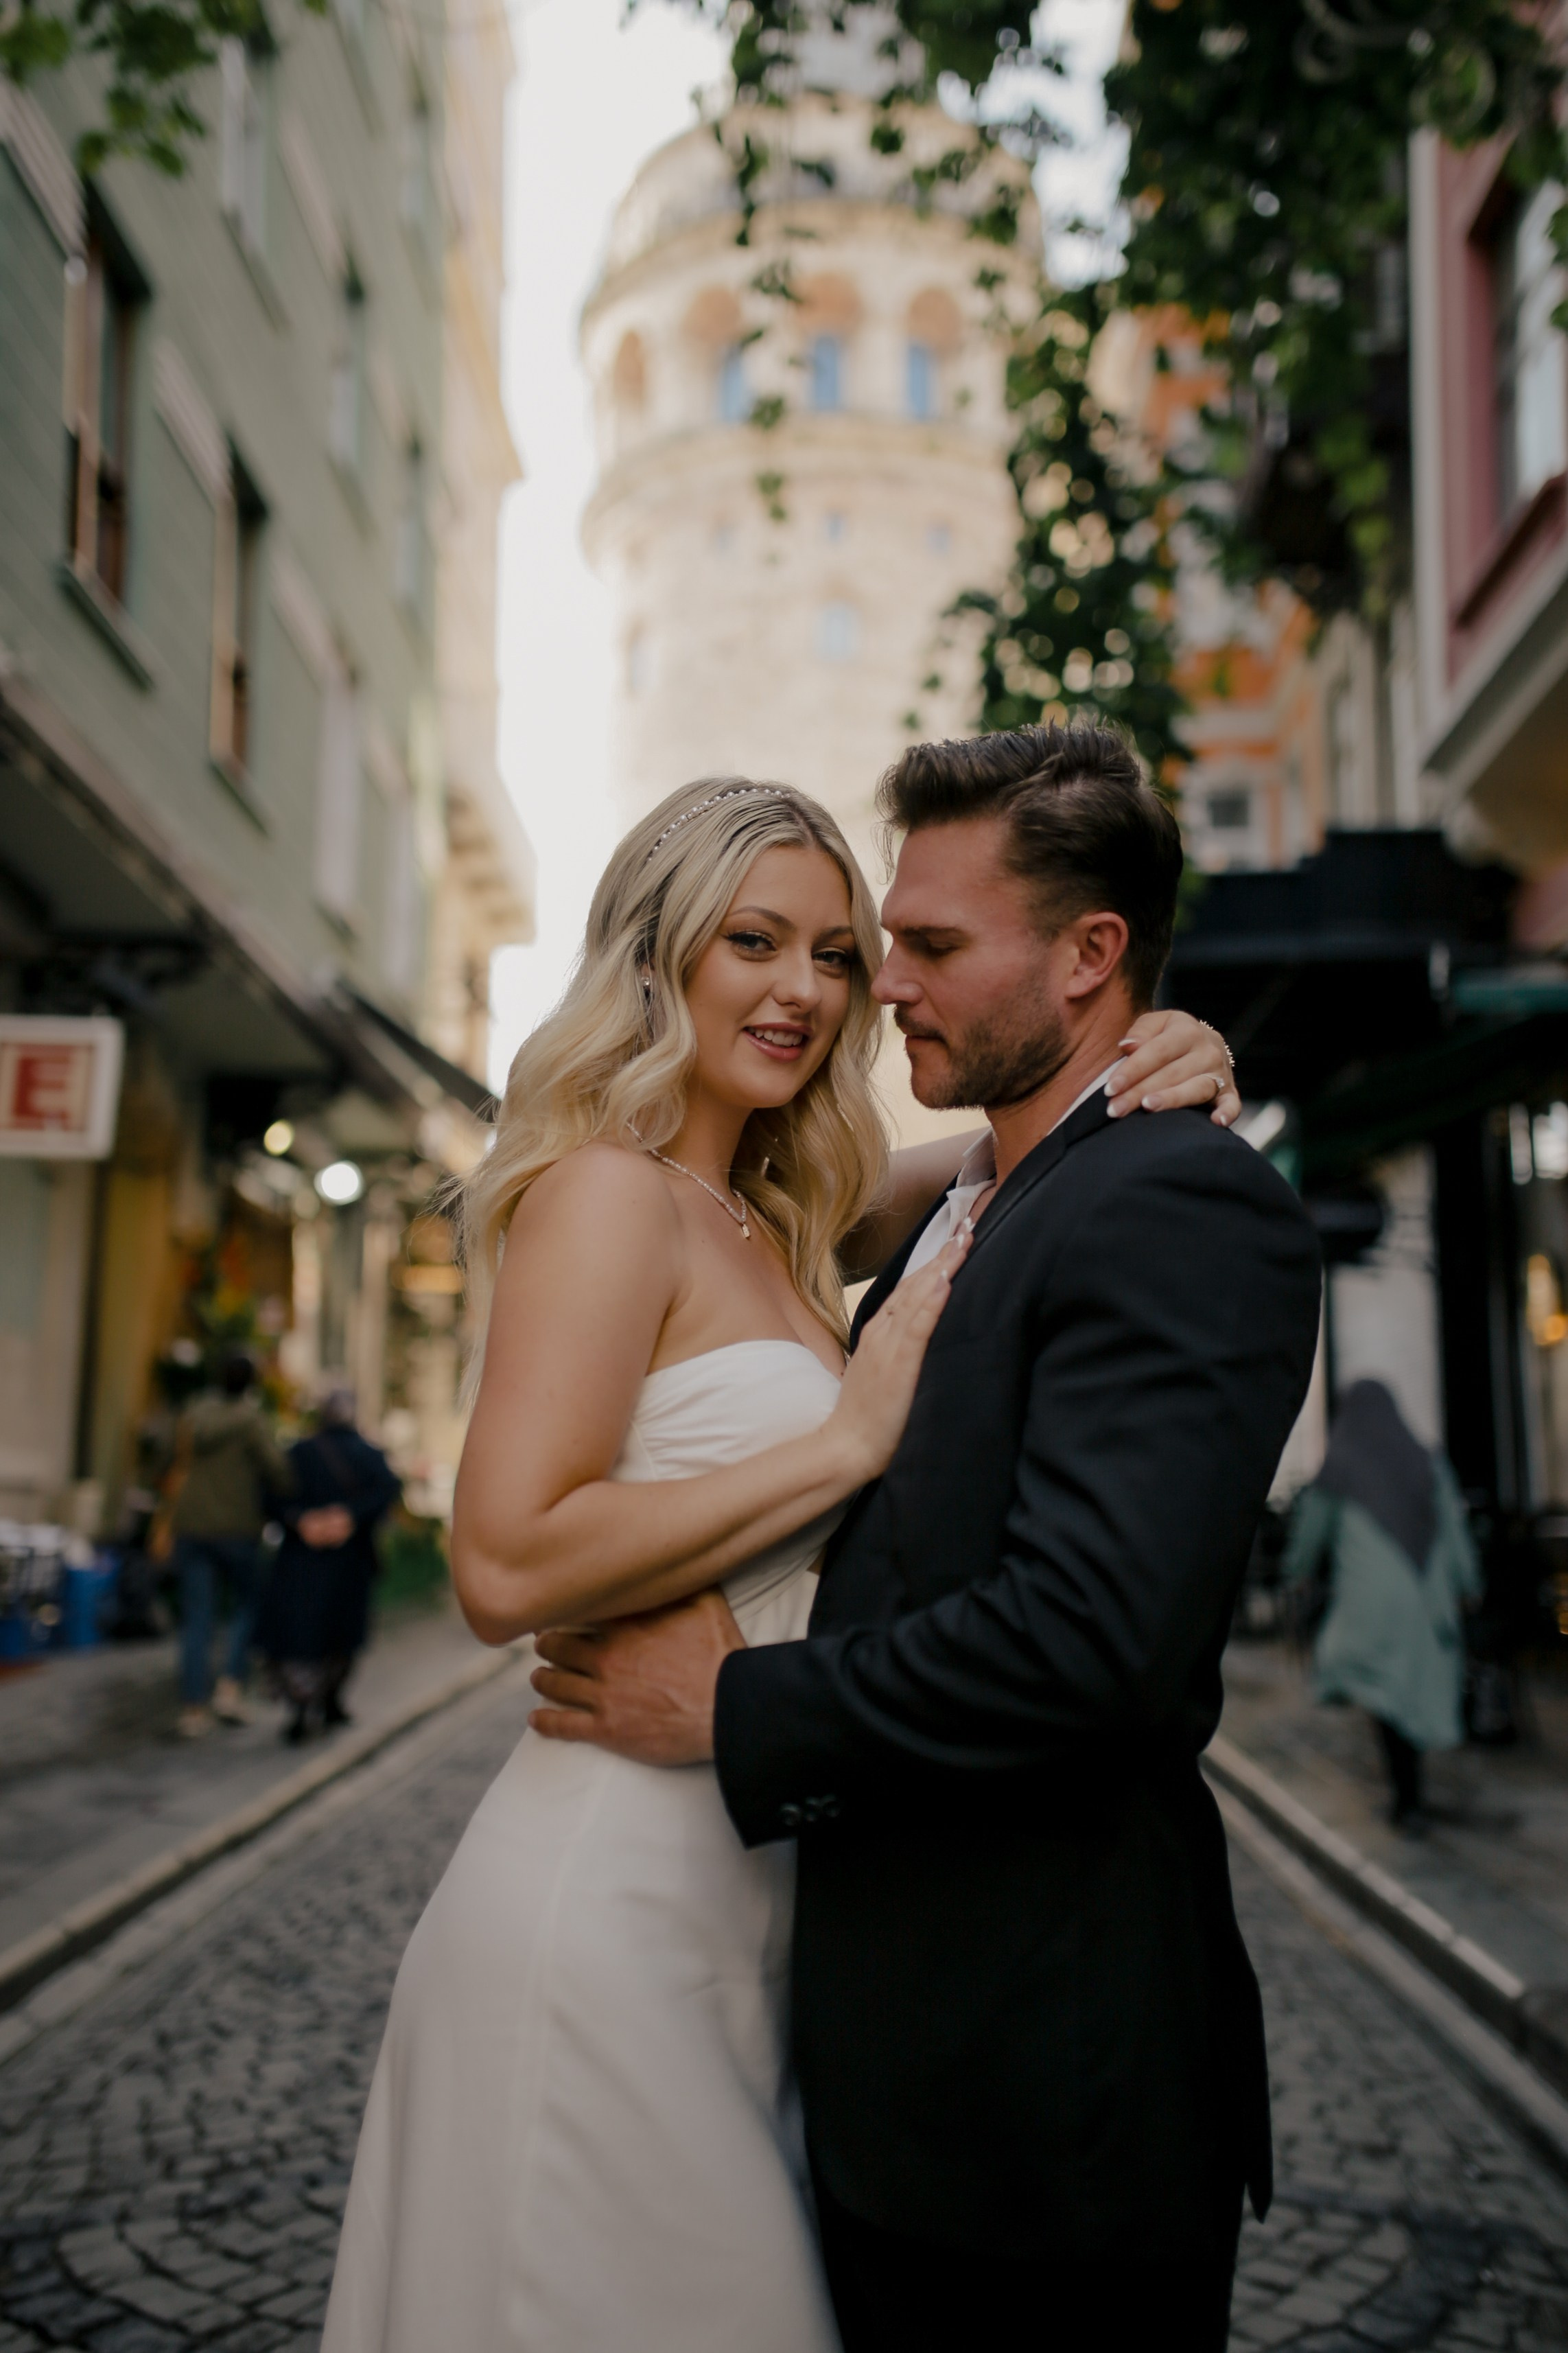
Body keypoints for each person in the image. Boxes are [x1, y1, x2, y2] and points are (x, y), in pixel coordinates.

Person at [319, 765, 1237, 2353]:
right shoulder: (608, 1195)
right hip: (604, 1897)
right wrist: (839, 1436)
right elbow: (501, 1555)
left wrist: (1174, 1038)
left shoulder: (769, 1210)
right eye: (755, 939)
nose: (808, 990)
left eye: (835, 949)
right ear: (655, 952)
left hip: (750, 1906)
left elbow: (1005, 1167)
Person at [531, 728, 1324, 2353]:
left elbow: (1087, 1640)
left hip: (1041, 2110)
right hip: (892, 2071)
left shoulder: (1174, 1200)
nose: (872, 987)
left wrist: (734, 1708)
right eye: (868, 941)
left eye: (927, 946)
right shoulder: (981, 1197)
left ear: (1090, 952)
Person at [1283, 1378, 1481, 1831]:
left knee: (1385, 1692)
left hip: (1369, 1604)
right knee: (1405, 1687)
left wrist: (1296, 1574)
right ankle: (1408, 1795)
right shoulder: (1424, 1458)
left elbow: (1310, 1534)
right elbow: (1453, 1530)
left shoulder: (1341, 1465)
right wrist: (1468, 1584)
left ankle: (1406, 1799)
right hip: (1424, 1599)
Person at [258, 1389, 401, 1745]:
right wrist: (348, 1518)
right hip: (348, 1562)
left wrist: (301, 1521)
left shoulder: (299, 1452)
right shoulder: (369, 1455)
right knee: (342, 1635)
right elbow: (388, 1491)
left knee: (301, 1635)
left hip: (302, 1561)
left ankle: (303, 1710)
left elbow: (268, 1496)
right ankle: (330, 1702)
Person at [165, 1350, 291, 1739]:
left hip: (192, 1526)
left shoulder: (195, 1413)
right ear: (251, 1383)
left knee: (197, 1619)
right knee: (247, 1606)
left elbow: (175, 1460)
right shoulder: (251, 1421)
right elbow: (279, 1473)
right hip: (237, 1530)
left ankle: (193, 1709)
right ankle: (230, 1689)